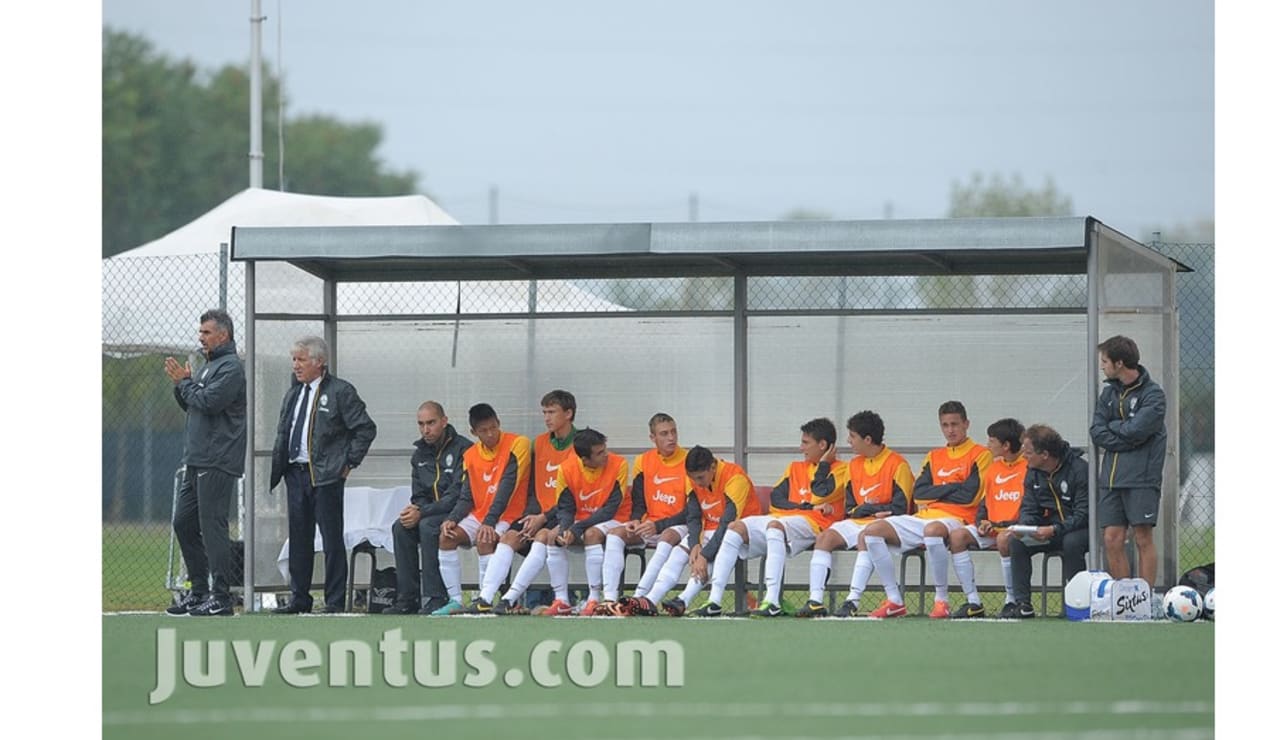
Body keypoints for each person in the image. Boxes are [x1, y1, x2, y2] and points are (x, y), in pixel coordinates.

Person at [693, 418, 847, 618]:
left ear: (823, 445)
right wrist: (807, 506)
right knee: (735, 527)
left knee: (775, 526)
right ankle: (714, 600)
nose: (801, 448)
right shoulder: (794, 467)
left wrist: (824, 465)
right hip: (783, 518)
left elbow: (820, 493)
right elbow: (776, 499)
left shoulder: (842, 470)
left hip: (815, 523)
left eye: (805, 443)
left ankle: (772, 601)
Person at [269, 336, 377, 614]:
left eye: (301, 359)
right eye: (294, 359)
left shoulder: (340, 391)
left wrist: (348, 463)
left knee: (331, 539)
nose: (296, 365)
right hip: (295, 474)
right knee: (299, 539)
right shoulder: (293, 393)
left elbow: (365, 428)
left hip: (326, 477)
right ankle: (299, 599)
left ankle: (334, 601)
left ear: (319, 362)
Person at [858, 401, 993, 619]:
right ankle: (894, 600)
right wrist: (955, 486)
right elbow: (919, 494)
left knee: (932, 531)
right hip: (924, 516)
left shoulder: (981, 454)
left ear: (966, 424)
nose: (950, 430)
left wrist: (937, 491)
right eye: (945, 425)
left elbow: (972, 495)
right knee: (872, 531)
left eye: (955, 424)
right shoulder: (933, 456)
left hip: (959, 518)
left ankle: (941, 600)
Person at [163, 308, 247, 617]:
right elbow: (192, 404)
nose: (201, 338)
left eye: (206, 333)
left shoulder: (231, 368)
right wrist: (182, 385)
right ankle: (198, 592)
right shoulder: (208, 366)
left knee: (212, 526)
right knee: (183, 523)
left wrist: (185, 383)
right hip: (197, 459)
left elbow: (209, 402)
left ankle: (221, 597)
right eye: (200, 332)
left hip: (217, 458)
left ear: (223, 335)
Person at [493, 428, 628, 616]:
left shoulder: (619, 464)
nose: (606, 454)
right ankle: (561, 600)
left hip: (615, 519)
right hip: (582, 519)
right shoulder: (566, 469)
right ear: (585, 459)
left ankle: (594, 599)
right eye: (599, 453)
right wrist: (565, 528)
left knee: (591, 534)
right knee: (552, 536)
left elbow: (610, 509)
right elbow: (565, 507)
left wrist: (577, 528)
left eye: (604, 449)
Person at [795, 411, 914, 618]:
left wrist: (867, 509)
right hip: (859, 520)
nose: (849, 441)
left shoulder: (898, 464)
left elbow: (900, 508)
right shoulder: (854, 465)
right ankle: (815, 601)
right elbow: (850, 508)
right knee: (825, 537)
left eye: (852, 436)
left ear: (867, 440)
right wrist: (870, 509)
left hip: (887, 524)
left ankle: (852, 600)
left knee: (866, 536)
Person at [619, 445, 760, 617]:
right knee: (679, 552)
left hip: (742, 533)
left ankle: (684, 599)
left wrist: (704, 555)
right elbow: (693, 516)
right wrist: (695, 545)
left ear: (713, 467)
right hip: (711, 530)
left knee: (711, 555)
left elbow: (727, 523)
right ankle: (650, 600)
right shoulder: (692, 478)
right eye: (693, 478)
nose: (697, 483)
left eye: (700, 477)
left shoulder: (735, 477)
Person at [432, 403, 530, 615]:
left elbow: (507, 487)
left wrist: (489, 522)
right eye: (484, 430)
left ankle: (486, 598)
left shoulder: (518, 444)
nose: (491, 434)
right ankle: (456, 600)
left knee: (485, 538)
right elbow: (467, 495)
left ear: (499, 423)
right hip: (481, 514)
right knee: (446, 537)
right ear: (473, 432)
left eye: (493, 427)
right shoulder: (470, 455)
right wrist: (452, 518)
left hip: (509, 514)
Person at [1089, 335, 1168, 590]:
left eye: (1105, 361)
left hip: (1141, 479)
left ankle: (1144, 597)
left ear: (1119, 363)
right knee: (1112, 539)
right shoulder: (1108, 392)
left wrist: (1116, 428)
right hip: (1111, 480)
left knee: (1142, 537)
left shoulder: (1153, 394)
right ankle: (1125, 598)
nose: (1102, 366)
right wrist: (1124, 434)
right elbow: (1097, 431)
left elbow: (1138, 430)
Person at [593, 413, 688, 615]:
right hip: (650, 524)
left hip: (678, 524)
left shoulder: (688, 461)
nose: (671, 438)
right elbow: (639, 501)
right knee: (615, 534)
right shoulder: (643, 460)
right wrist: (635, 520)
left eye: (673, 432)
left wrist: (659, 525)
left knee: (667, 536)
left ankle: (639, 598)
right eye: (664, 434)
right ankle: (609, 599)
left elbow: (690, 512)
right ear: (653, 438)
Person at [384, 401, 472, 614]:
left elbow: (457, 494)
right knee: (401, 527)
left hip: (461, 511)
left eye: (431, 423)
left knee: (428, 526)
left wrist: (422, 512)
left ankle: (436, 597)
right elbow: (419, 495)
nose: (426, 430)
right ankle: (407, 599)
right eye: (421, 424)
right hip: (431, 512)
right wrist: (416, 511)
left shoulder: (464, 449)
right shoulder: (419, 455)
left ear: (444, 421)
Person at [1007, 423, 1090, 618]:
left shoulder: (1079, 469)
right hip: (1052, 530)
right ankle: (1023, 605)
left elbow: (1083, 514)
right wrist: (1026, 528)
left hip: (1084, 530)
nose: (1023, 456)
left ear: (1044, 454)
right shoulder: (1033, 471)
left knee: (1071, 542)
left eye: (1028, 452)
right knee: (1016, 542)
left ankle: (1076, 603)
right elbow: (1029, 507)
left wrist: (1054, 529)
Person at [957, 418, 1029, 618]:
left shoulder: (1029, 468)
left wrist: (999, 525)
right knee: (957, 537)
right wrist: (981, 522)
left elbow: (1030, 510)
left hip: (1016, 528)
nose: (987, 445)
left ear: (1005, 446)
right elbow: (984, 502)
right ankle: (973, 602)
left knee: (1004, 539)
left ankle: (1011, 601)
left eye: (991, 440)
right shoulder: (994, 468)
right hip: (993, 527)